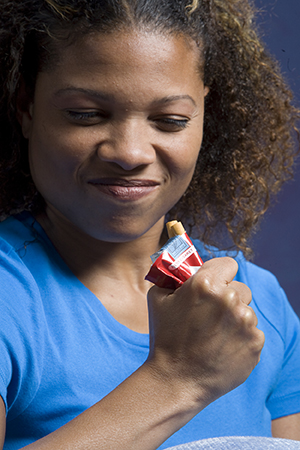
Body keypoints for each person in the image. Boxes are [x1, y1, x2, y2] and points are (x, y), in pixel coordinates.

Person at [0, 0, 299, 449]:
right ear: (26, 107)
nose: (131, 152)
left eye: (170, 121)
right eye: (86, 113)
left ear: (204, 117)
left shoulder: (260, 307)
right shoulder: (11, 295)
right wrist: (177, 378)